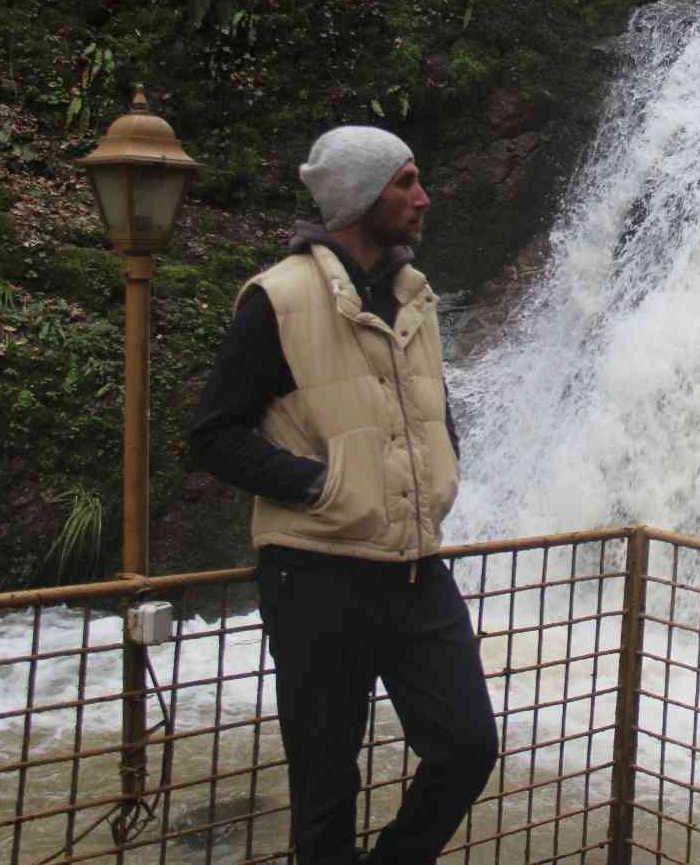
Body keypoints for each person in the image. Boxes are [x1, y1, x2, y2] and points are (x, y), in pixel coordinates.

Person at [190, 126, 498, 865]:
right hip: (316, 571)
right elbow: (215, 435)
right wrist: (321, 486)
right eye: (406, 183)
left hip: (416, 566)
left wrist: (440, 466)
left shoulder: (413, 296)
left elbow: (428, 408)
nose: (423, 198)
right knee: (326, 783)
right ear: (362, 197)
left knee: (466, 746)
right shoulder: (279, 298)